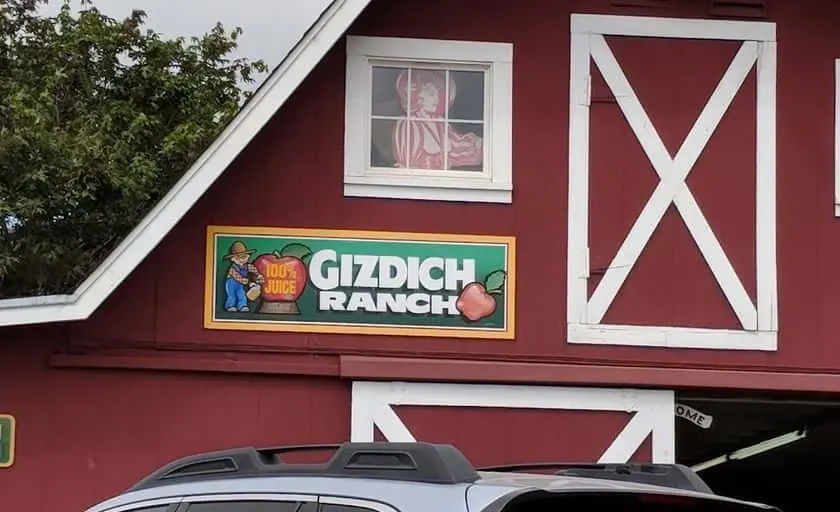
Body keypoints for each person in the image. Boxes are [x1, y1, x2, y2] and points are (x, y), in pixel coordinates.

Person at [392, 69, 483, 170]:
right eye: (431, 94)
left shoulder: (440, 124)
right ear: (416, 95)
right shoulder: (409, 124)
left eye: (438, 94)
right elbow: (406, 169)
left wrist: (483, 145)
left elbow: (459, 147)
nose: (437, 99)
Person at [222, 241, 265, 312]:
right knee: (231, 295)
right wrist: (250, 283)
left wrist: (258, 276)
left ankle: (242, 306)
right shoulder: (232, 269)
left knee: (241, 294)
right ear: (233, 259)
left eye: (244, 257)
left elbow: (254, 271)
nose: (242, 259)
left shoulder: (248, 266)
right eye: (239, 258)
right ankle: (230, 306)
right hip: (231, 284)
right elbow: (239, 279)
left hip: (240, 285)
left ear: (247, 256)